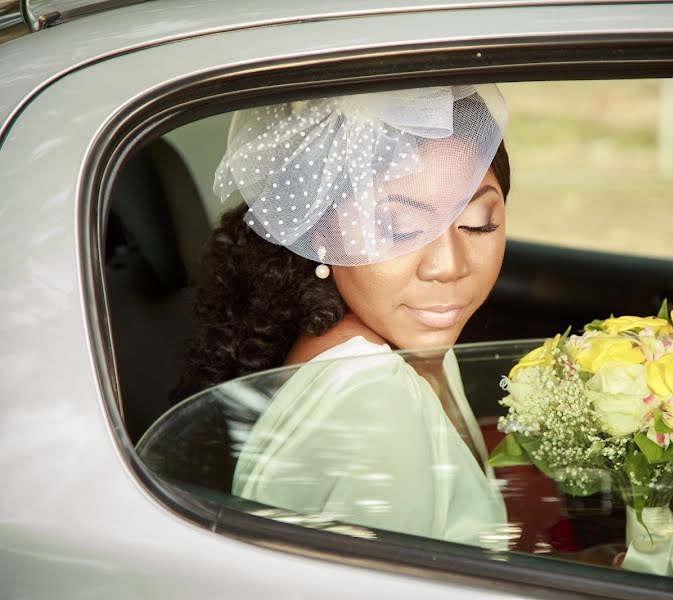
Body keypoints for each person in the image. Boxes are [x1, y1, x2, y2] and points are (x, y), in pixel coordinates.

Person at [172, 85, 512, 548]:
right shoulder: (374, 401)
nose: (449, 266)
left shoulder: (404, 342)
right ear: (320, 232)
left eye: (478, 223)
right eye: (402, 228)